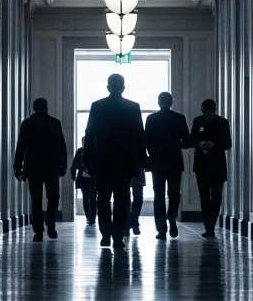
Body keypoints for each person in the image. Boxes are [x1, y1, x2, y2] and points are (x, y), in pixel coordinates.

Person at [83, 74, 146, 249]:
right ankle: (118, 237)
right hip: (125, 161)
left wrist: (87, 159)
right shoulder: (133, 107)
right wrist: (141, 161)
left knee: (103, 198)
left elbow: (90, 135)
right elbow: (139, 136)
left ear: (108, 87)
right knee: (123, 198)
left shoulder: (97, 106)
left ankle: (105, 235)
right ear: (123, 87)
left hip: (103, 161)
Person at [13, 98, 68, 241]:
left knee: (36, 199)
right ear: (47, 107)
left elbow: (21, 146)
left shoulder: (27, 124)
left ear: (33, 108)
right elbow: (61, 146)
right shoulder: (55, 123)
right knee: (53, 196)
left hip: (33, 167)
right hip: (52, 167)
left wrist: (17, 166)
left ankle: (38, 231)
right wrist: (63, 165)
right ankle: (51, 225)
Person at [144, 91, 192, 239]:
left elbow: (146, 142)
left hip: (157, 162)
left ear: (158, 102)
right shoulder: (179, 118)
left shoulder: (151, 118)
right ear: (171, 102)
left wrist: (152, 152)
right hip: (175, 161)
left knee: (159, 195)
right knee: (174, 193)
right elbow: (187, 143)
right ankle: (172, 217)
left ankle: (161, 230)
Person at [190, 98, 231, 238]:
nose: (207, 115)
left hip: (217, 164)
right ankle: (209, 227)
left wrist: (214, 145)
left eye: (209, 112)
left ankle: (211, 225)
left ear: (214, 110)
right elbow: (191, 139)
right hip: (202, 164)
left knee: (216, 195)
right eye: (204, 112)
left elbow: (228, 143)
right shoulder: (197, 121)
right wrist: (199, 144)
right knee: (204, 196)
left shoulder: (222, 122)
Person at [70, 146, 97, 225]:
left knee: (87, 198)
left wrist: (73, 174)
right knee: (92, 199)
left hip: (85, 178)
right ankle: (91, 217)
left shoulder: (81, 151)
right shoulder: (95, 150)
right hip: (91, 178)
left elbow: (75, 164)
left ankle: (90, 217)